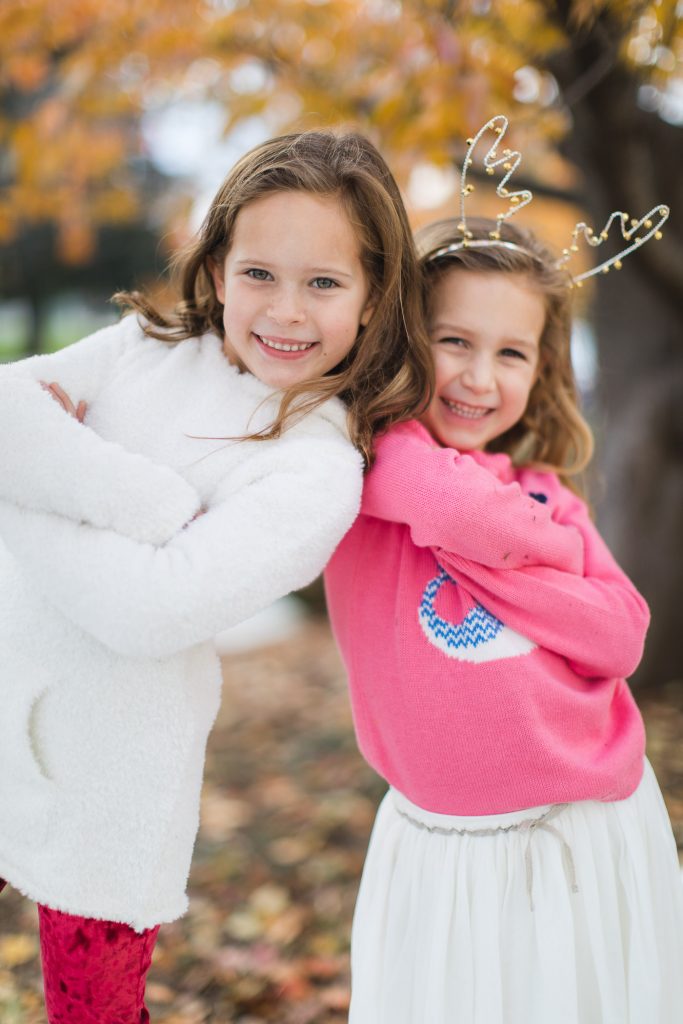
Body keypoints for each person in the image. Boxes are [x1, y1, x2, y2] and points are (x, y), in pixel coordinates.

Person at [0, 128, 432, 1023]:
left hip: (112, 773)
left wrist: (24, 498)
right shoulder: (143, 350)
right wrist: (142, 502)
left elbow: (149, 613)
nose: (284, 310)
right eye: (259, 274)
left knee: (90, 1013)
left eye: (322, 283)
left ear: (373, 293)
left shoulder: (315, 471)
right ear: (217, 265)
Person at [324, 214, 683, 1023]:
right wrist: (545, 558)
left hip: (593, 826)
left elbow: (622, 633)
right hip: (451, 855)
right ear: (405, 338)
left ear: (541, 367)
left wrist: (489, 556)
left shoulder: (544, 489)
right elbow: (462, 510)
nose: (479, 377)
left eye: (511, 352)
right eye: (454, 340)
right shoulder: (368, 461)